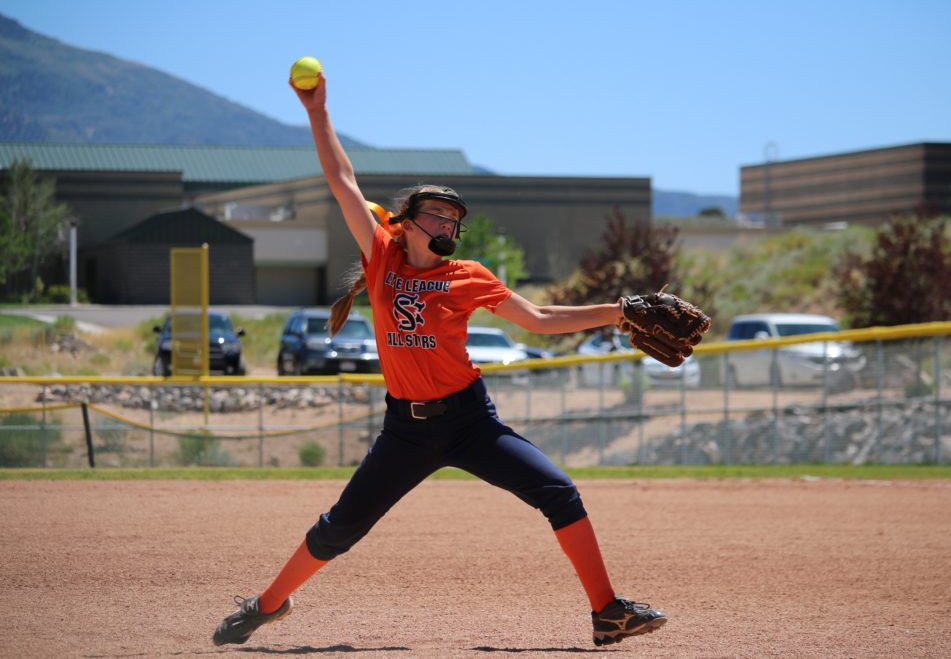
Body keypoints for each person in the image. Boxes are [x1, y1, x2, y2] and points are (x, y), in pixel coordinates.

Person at [211, 71, 668, 649]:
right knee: (340, 529)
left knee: (559, 492)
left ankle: (608, 612)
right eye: (437, 214)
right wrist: (318, 110)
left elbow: (540, 320)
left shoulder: (468, 276)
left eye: (455, 219)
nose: (449, 223)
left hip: (470, 422)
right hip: (407, 429)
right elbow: (341, 178)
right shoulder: (381, 258)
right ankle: (267, 606)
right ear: (407, 221)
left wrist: (618, 311)